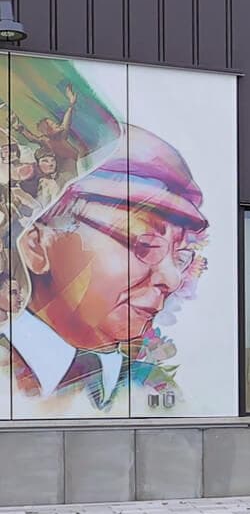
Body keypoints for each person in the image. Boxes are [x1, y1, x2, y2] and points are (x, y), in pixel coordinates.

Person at [2, 126, 210, 415]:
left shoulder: (153, 387)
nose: (172, 279)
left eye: (181, 255)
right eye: (145, 244)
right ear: (36, 245)